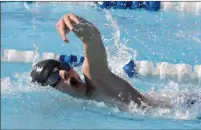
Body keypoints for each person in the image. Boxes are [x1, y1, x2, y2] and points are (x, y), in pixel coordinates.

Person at [30, 13, 163, 109]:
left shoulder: (94, 78)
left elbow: (92, 39)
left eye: (64, 66)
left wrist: (76, 22)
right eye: (53, 77)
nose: (64, 72)